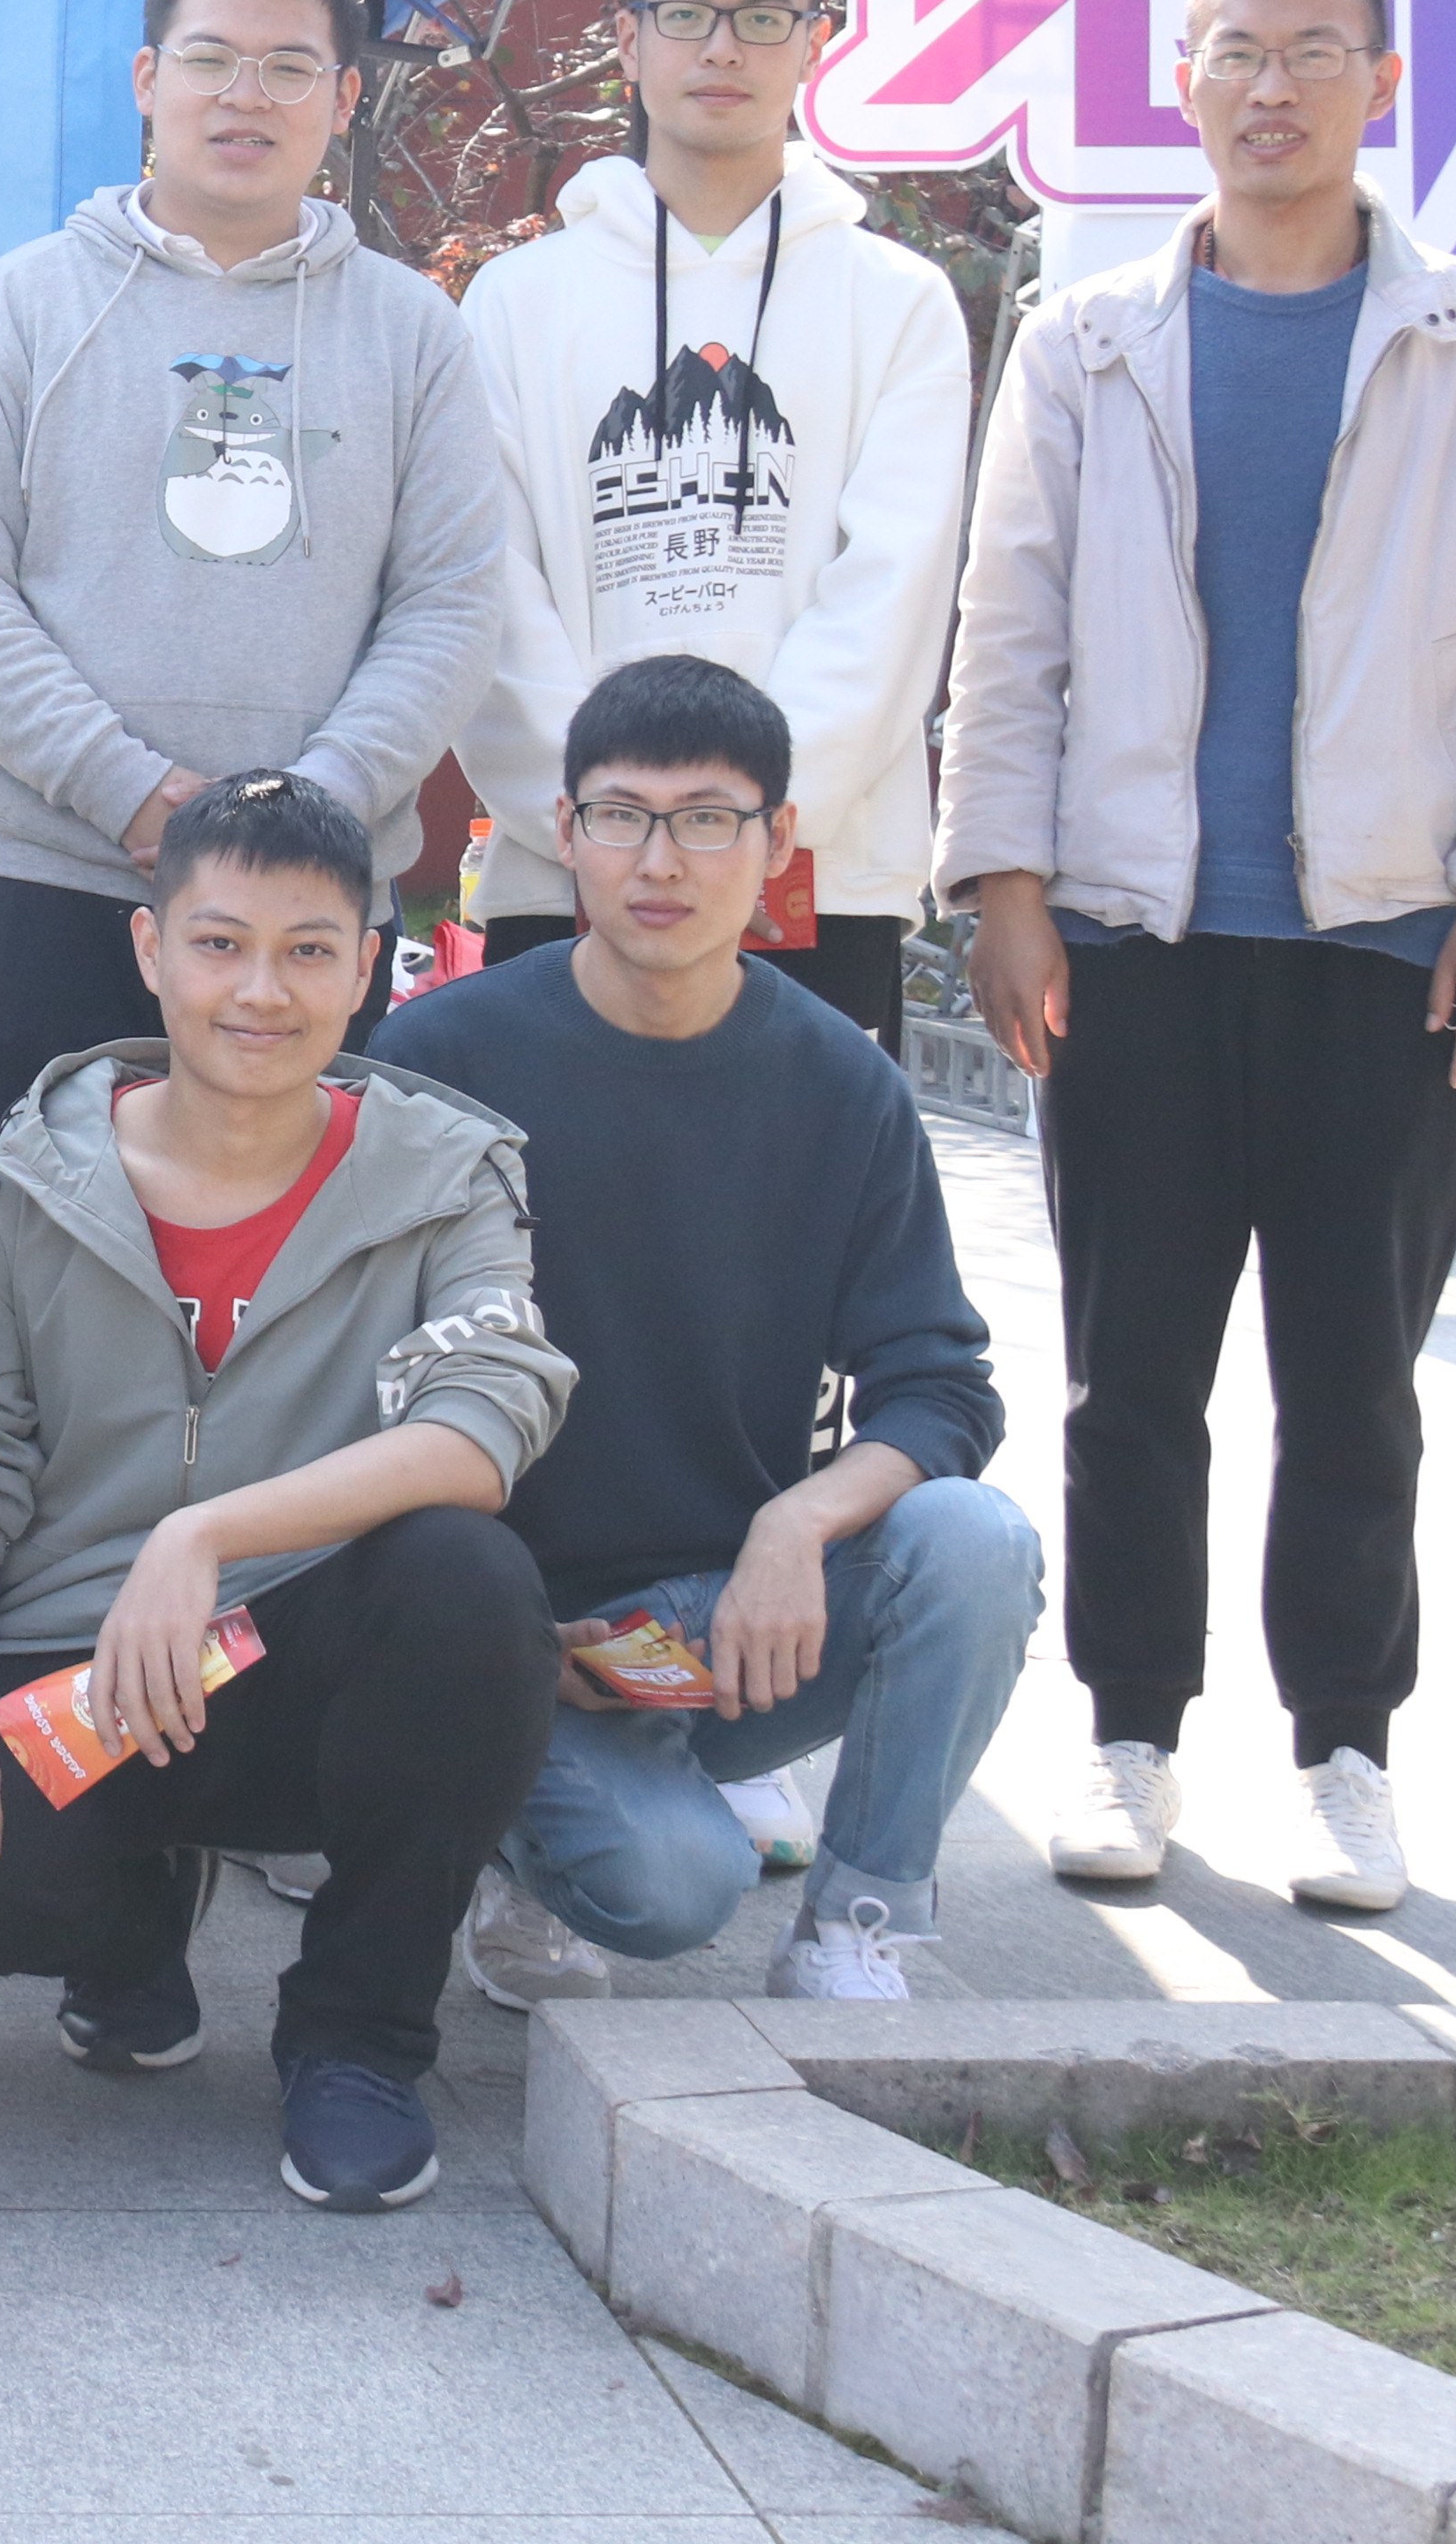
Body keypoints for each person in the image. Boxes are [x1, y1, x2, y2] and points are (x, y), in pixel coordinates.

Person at [941, 0, 1456, 1922]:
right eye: (1237, 49)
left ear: (1382, 86)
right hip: (1131, 944)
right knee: (1128, 1377)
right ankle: (1130, 1733)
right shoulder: (1090, 339)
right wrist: (1004, 882)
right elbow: (1011, 625)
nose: (1273, 86)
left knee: (1355, 1381)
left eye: (1316, 51)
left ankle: (1345, 1753)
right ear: (1185, 74)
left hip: (1387, 944)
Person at [0, 768, 569, 2211]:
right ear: (150, 948)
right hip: (89, 1671)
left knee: (471, 1586)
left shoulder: (447, 1171)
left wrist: (210, 1533)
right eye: (221, 943)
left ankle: (360, 2037)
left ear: (365, 969)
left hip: (306, 1656)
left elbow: (485, 1421)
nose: (261, 990)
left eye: (308, 951)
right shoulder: (21, 1175)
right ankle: (130, 1923)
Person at [372, 655, 1036, 2010]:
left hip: (737, 1620)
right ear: (565, 833)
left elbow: (940, 1385)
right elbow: (345, 1369)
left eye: (708, 819)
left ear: (778, 841)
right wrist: (488, 1623)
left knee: (976, 1541)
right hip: (509, 1620)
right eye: (623, 816)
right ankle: (514, 1833)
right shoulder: (440, 1056)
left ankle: (858, 1923)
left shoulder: (840, 1082)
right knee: (671, 1891)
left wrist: (799, 1525)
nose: (661, 859)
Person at [0, 0, 507, 1142]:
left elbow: (450, 602)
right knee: (40, 1240)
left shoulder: (413, 333)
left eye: (289, 68)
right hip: (48, 887)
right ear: (147, 78)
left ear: (343, 99)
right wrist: (129, 792)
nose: (246, 96)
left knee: (301, 1248)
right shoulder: (24, 303)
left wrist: (306, 818)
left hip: (313, 909)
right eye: (211, 58)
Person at [452, 0, 974, 1052]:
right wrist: (606, 822)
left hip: (817, 876)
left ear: (815, 43)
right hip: (565, 872)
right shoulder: (515, 302)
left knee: (803, 1174)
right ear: (628, 39)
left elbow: (892, 598)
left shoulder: (896, 300)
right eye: (684, 13)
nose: (722, 49)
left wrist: (750, 823)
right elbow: (488, 592)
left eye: (763, 18)